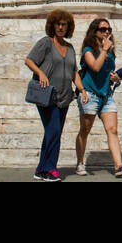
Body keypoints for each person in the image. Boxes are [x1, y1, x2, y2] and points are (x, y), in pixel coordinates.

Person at [25, 10, 87, 181]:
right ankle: (50, 169)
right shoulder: (46, 43)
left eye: (64, 24)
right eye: (58, 24)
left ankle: (40, 169)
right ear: (52, 25)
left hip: (65, 96)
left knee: (53, 133)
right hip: (47, 94)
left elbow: (74, 71)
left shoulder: (70, 47)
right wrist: (41, 73)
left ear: (68, 27)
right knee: (53, 130)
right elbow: (29, 60)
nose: (60, 27)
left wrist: (82, 89)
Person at [74, 18, 122, 178]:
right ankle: (80, 162)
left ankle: (118, 166)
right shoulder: (88, 50)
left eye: (109, 29)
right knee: (85, 130)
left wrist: (115, 78)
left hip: (106, 96)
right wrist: (103, 50)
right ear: (94, 32)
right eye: (103, 29)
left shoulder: (109, 52)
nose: (107, 32)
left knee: (112, 130)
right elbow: (94, 67)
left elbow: (105, 74)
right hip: (90, 94)